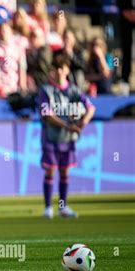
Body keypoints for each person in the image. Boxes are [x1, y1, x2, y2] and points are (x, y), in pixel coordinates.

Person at [38, 55, 95, 219]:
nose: (58, 71)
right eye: (55, 68)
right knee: (50, 170)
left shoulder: (74, 90)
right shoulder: (46, 90)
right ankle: (48, 208)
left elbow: (91, 107)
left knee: (65, 172)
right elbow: (47, 114)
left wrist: (82, 123)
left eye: (62, 68)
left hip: (68, 139)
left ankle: (63, 206)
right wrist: (67, 126)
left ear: (67, 70)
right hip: (51, 136)